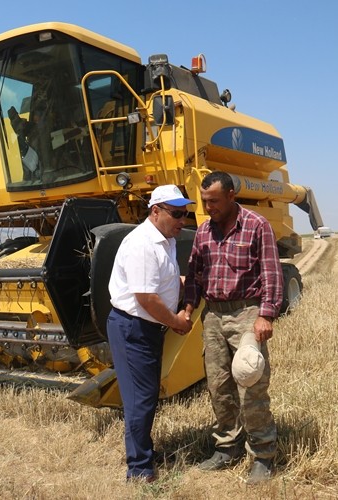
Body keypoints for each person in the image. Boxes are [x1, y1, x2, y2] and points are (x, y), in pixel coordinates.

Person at [183, 171, 283, 484]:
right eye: (204, 201)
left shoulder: (257, 226)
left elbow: (271, 274)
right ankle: (228, 447)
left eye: (213, 201)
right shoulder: (202, 232)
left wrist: (266, 315)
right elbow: (195, 275)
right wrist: (188, 308)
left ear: (231, 196)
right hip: (213, 315)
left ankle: (264, 454)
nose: (208, 206)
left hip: (247, 313)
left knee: (251, 384)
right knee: (218, 386)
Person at [107, 184, 195, 482]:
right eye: (177, 213)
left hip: (146, 326)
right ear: (155, 211)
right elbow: (146, 298)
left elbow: (163, 281)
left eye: (186, 213)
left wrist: (188, 284)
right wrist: (176, 321)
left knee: (145, 395)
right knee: (140, 398)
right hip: (134, 327)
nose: (183, 219)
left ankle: (143, 452)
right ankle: (139, 468)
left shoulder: (165, 238)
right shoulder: (143, 244)